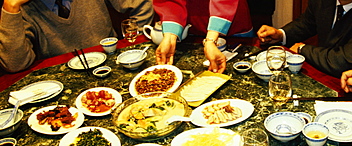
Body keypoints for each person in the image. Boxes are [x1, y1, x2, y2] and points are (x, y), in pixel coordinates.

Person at [0, 0, 153, 73]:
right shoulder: (24, 9)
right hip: (61, 80)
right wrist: (11, 6)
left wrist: (134, 47)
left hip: (112, 67)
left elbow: (143, 4)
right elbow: (15, 64)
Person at [257, 0, 352, 78]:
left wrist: (303, 49)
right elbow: (307, 23)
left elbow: (344, 61)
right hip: (322, 74)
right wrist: (281, 34)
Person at [153, 0, 254, 74]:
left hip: (231, 19)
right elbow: (169, 2)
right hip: (191, 21)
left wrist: (210, 40)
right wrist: (170, 37)